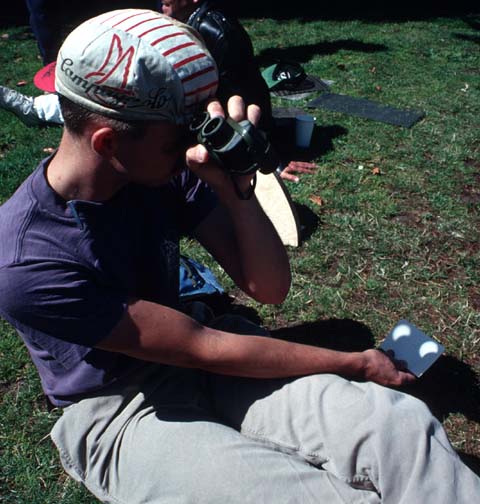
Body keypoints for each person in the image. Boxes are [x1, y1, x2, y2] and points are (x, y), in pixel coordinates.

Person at [0, 9, 479, 504]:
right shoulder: (25, 259)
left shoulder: (158, 168)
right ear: (108, 141)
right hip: (117, 408)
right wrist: (355, 363)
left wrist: (237, 190)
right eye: (177, 136)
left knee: (398, 429)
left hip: (212, 353)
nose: (192, 147)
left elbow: (268, 288)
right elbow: (200, 345)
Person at [2, 0, 315, 182]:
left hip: (186, 117)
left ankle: (40, 109)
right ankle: (40, 107)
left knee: (114, 108)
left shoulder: (217, 33)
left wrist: (267, 155)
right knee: (102, 98)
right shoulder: (166, 21)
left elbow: (249, 94)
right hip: (156, 109)